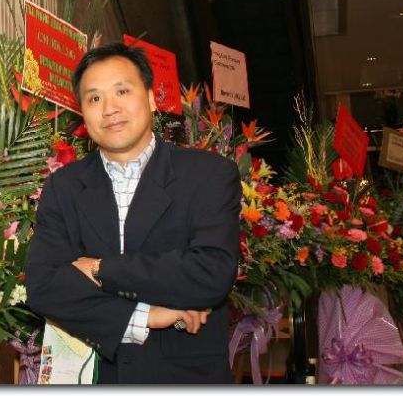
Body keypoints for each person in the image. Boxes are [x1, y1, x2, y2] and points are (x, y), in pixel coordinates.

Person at [25, 42, 241, 383]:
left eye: (122, 91)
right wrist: (145, 316)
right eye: (94, 98)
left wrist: (99, 268)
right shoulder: (64, 186)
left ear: (152, 99)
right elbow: (44, 287)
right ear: (83, 114)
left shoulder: (208, 174)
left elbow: (210, 273)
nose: (110, 108)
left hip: (184, 376)